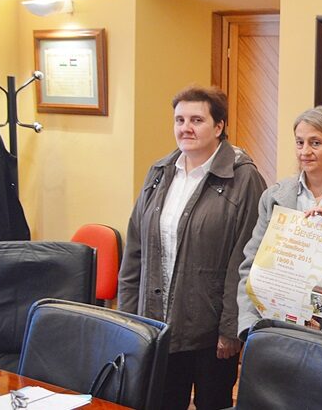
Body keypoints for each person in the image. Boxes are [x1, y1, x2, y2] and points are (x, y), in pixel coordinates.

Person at [119, 85, 266, 410]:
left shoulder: (244, 179)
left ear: (219, 126)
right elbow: (135, 251)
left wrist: (231, 328)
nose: (186, 128)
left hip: (209, 332)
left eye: (197, 120)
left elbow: (246, 259)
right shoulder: (159, 173)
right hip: (157, 324)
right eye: (180, 120)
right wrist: (128, 318)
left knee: (213, 403)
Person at [236, 106, 322, 339]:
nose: (305, 151)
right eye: (300, 143)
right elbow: (252, 266)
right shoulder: (274, 197)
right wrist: (250, 325)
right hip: (277, 330)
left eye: (315, 143)